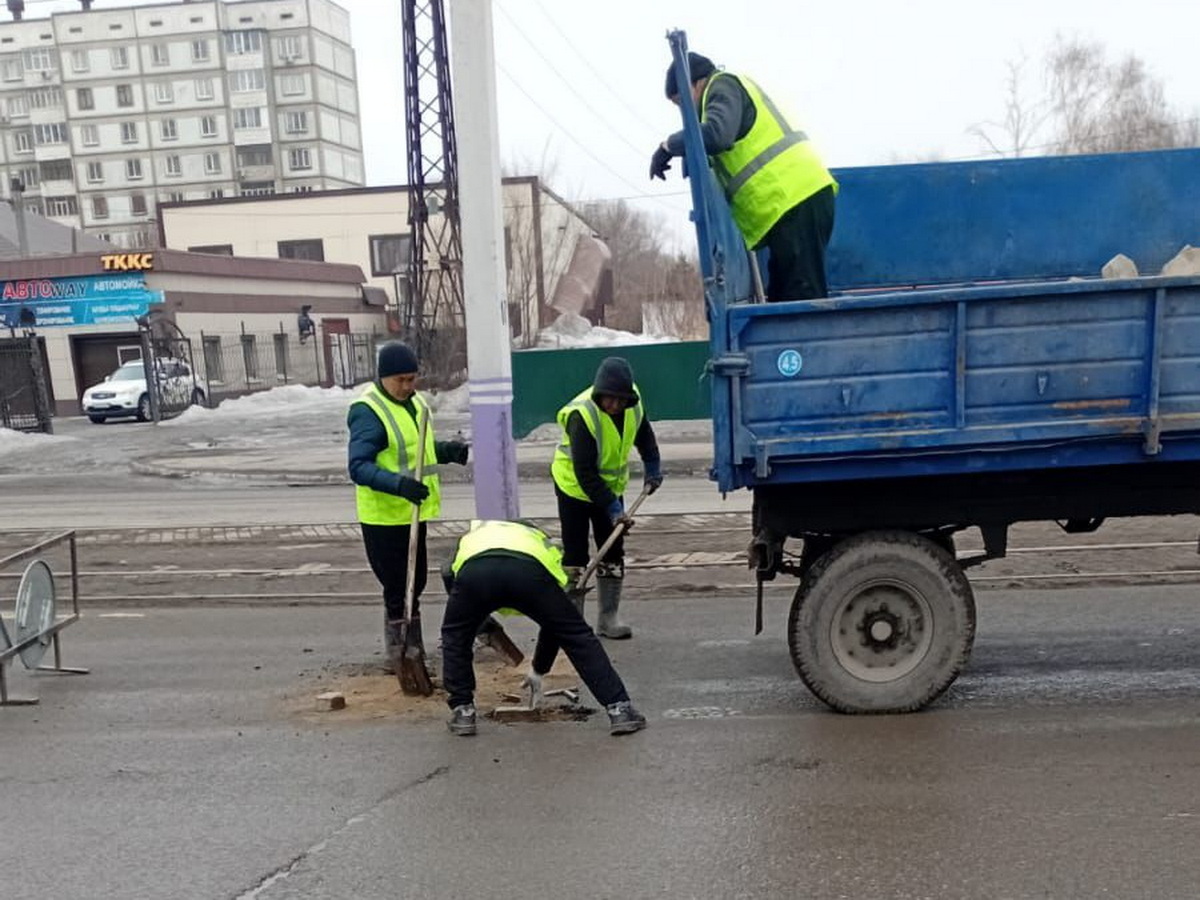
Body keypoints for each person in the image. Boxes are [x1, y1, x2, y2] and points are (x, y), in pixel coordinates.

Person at [651, 51, 838, 302]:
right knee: (784, 299)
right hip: (790, 205)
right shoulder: (718, 96)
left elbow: (717, 134)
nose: (684, 113)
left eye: (681, 103)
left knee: (802, 297)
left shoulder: (721, 86)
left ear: (696, 84)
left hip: (795, 200)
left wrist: (668, 146)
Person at [439, 519, 647, 737]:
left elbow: (447, 573)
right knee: (576, 635)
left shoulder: (472, 536)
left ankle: (463, 711)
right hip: (527, 574)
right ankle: (619, 709)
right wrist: (540, 669)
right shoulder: (540, 542)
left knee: (455, 637)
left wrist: (476, 623)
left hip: (476, 575)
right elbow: (553, 627)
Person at [347, 341, 469, 667]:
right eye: (400, 380)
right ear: (383, 377)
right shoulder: (368, 411)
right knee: (398, 587)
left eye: (412, 379)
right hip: (384, 516)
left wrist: (447, 451)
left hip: (412, 512)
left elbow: (418, 451)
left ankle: (412, 650)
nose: (407, 386)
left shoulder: (415, 405)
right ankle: (400, 654)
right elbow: (358, 466)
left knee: (415, 584)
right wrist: (399, 485)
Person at [550, 357, 663, 639]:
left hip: (610, 488)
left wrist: (653, 466)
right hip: (573, 487)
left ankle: (608, 619)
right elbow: (585, 473)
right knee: (576, 555)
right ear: (599, 392)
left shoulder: (632, 406)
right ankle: (573, 626)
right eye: (608, 399)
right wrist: (613, 507)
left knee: (612, 551)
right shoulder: (583, 416)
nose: (613, 405)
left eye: (619, 400)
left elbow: (645, 437)